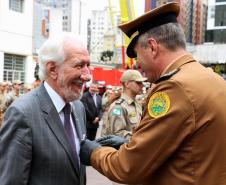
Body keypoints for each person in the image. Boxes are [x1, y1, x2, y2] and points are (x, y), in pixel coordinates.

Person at [80, 2, 226, 185]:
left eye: (138, 56)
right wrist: (131, 143)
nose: (137, 65)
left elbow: (128, 168)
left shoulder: (175, 88)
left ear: (152, 47)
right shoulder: (213, 79)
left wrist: (94, 152)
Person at [0, 33, 91, 185]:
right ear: (53, 69)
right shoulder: (22, 114)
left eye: (88, 65)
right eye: (79, 66)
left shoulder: (78, 107)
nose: (87, 76)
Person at [101, 69, 146, 140]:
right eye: (138, 82)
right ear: (127, 84)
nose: (142, 85)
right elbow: (117, 135)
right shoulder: (118, 107)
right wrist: (141, 136)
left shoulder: (136, 104)